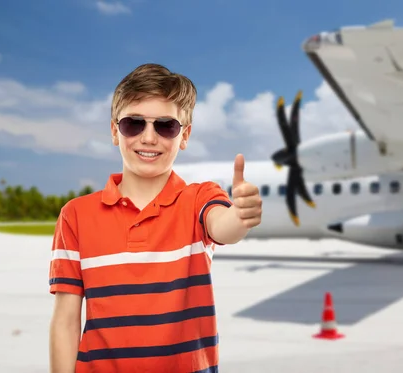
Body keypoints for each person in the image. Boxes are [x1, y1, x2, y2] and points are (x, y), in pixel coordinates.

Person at [48, 63, 263, 373]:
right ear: (114, 131)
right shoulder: (76, 215)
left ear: (184, 135)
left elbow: (223, 226)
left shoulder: (198, 198)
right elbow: (66, 319)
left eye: (166, 126)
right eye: (133, 124)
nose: (148, 138)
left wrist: (240, 217)